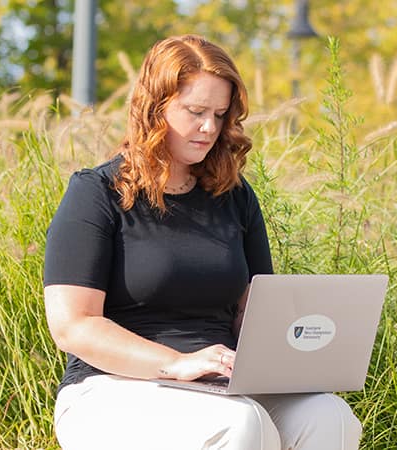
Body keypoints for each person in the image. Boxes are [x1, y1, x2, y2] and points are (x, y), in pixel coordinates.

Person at [43, 34, 362, 450]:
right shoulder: (96, 193)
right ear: (155, 109)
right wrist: (177, 364)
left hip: (220, 384)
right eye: (195, 111)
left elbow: (255, 312)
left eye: (219, 113)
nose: (209, 127)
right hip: (112, 386)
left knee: (330, 417)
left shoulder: (234, 196)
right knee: (244, 426)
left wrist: (306, 345)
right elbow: (74, 326)